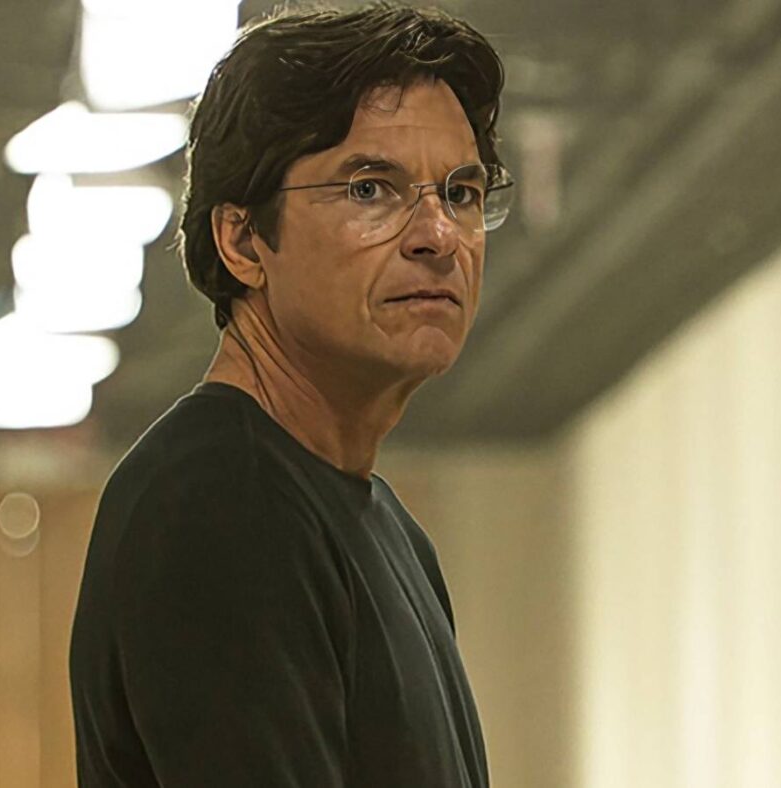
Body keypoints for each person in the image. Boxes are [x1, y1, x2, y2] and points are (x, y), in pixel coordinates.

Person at [69, 3, 513, 786]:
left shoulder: (390, 533)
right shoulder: (217, 498)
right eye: (371, 189)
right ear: (243, 239)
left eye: (462, 193)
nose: (438, 235)